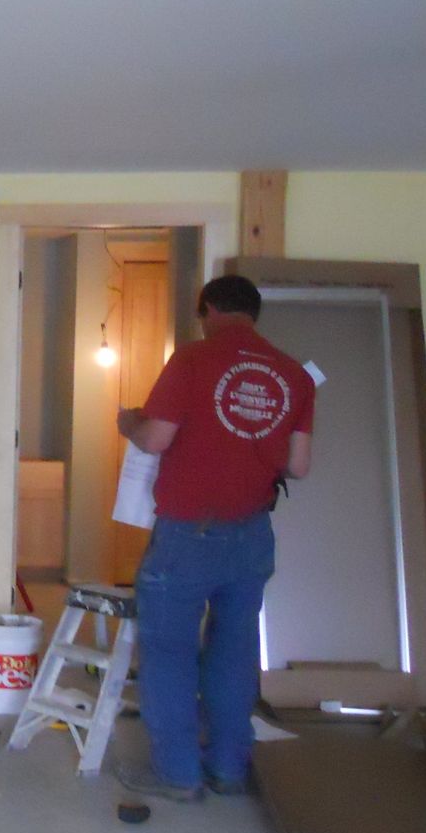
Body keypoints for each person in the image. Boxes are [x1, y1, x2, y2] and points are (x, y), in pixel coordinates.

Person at [112, 275, 315, 802]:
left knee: (169, 650)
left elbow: (156, 438)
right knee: (233, 650)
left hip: (188, 535)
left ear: (207, 309)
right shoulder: (294, 374)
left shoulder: (192, 360)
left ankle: (179, 775)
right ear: (255, 314)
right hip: (251, 535)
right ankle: (227, 768)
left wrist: (129, 422)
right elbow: (298, 465)